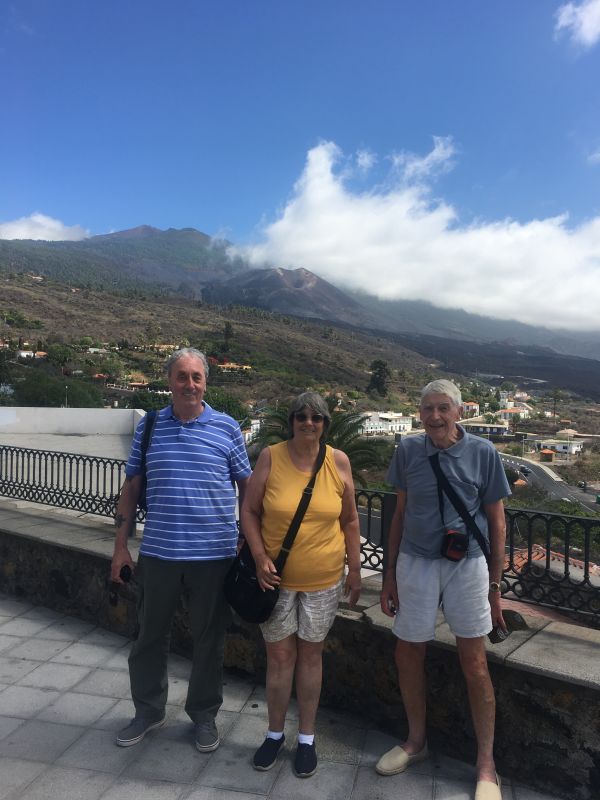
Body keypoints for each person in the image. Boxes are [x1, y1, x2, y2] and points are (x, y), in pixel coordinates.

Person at [110, 347, 251, 752]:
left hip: (214, 556)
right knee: (149, 636)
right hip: (159, 553)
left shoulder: (226, 428)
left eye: (197, 377)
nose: (190, 384)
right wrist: (120, 547)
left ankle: (204, 716)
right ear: (169, 381)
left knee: (210, 640)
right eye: (182, 376)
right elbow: (132, 487)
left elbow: (248, 487)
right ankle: (148, 711)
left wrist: (249, 539)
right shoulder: (150, 426)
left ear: (206, 382)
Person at [377, 379, 510, 800]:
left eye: (442, 408)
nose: (434, 416)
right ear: (420, 413)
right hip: (416, 562)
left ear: (458, 412)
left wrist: (495, 586)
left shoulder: (483, 454)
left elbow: (497, 523)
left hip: (467, 564)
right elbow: (398, 514)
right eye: (427, 409)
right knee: (407, 651)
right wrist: (389, 575)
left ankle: (486, 765)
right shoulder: (408, 451)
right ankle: (416, 742)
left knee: (474, 663)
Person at [241, 392, 362, 778]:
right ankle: (275, 734)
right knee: (279, 659)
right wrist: (260, 556)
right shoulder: (270, 457)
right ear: (290, 421)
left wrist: (355, 569)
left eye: (317, 418)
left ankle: (306, 738)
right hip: (274, 580)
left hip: (324, 581)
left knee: (311, 657)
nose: (308, 423)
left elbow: (351, 520)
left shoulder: (338, 461)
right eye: (301, 417)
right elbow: (249, 510)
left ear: (325, 424)